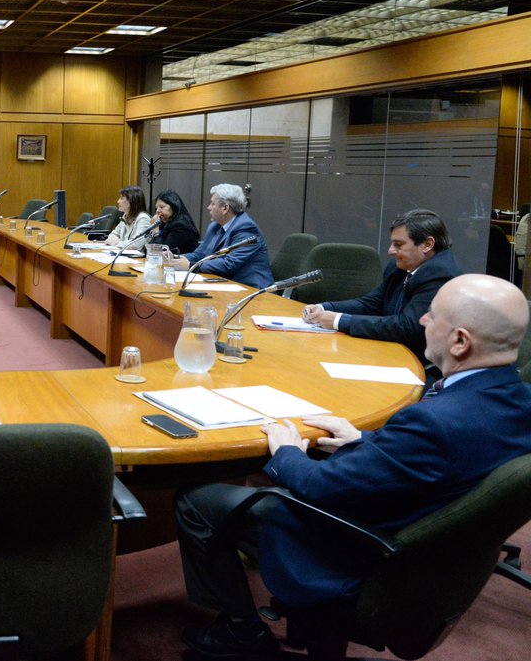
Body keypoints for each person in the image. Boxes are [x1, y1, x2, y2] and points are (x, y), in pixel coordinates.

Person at [174, 273, 531, 658]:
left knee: (196, 501)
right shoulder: (519, 402)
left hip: (362, 549)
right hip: (427, 549)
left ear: (460, 341)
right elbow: (445, 455)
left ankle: (241, 631)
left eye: (432, 315)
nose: (422, 321)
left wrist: (286, 454)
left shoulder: (433, 423)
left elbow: (323, 488)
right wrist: (364, 440)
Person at [301, 209, 460, 364]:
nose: (391, 251)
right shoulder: (402, 266)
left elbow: (407, 327)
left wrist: (339, 321)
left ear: (427, 244)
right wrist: (325, 307)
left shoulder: (439, 274)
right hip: (388, 350)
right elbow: (373, 303)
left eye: (398, 244)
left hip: (416, 364)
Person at [169, 183, 273, 289]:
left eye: (212, 204)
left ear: (225, 208)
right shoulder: (215, 227)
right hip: (225, 285)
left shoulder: (246, 228)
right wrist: (175, 258)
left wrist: (191, 266)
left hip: (251, 290)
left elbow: (229, 263)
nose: (208, 207)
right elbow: (199, 255)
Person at [149, 189, 200, 254]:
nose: (157, 211)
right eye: (156, 208)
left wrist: (156, 230)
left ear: (173, 206)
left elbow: (160, 253)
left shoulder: (181, 226)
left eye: (161, 207)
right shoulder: (165, 223)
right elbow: (148, 250)